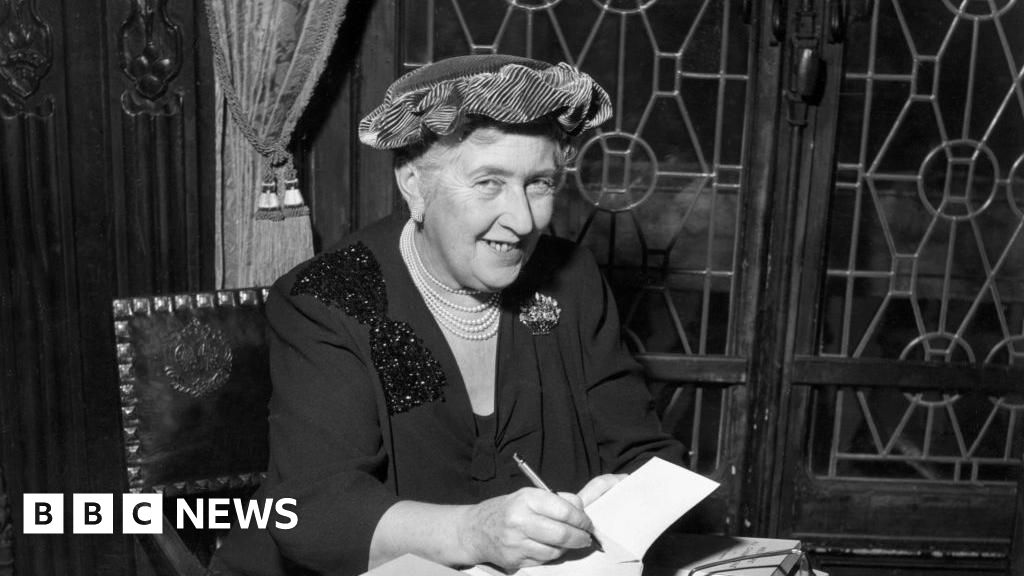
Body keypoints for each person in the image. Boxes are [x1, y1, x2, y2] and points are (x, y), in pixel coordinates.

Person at [211, 54, 684, 576]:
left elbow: (647, 453)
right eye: (489, 182)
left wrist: (628, 500)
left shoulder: (574, 282)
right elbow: (315, 514)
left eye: (540, 183)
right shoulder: (325, 299)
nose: (522, 219)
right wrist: (477, 532)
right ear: (414, 183)